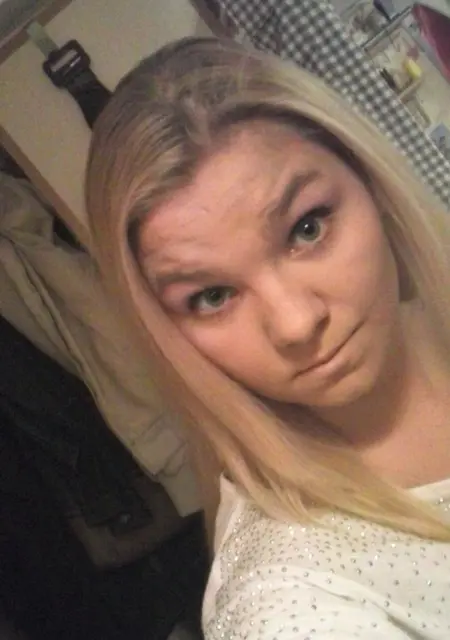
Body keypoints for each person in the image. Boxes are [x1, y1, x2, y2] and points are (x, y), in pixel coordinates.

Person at [85, 37, 450, 639]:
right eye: (212, 296)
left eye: (306, 228)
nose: (296, 324)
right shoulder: (285, 601)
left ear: (369, 180)